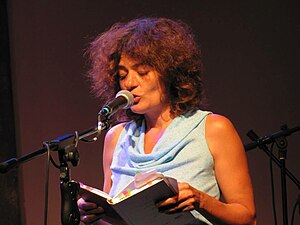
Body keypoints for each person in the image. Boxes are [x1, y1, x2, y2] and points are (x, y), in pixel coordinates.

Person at [78, 17, 256, 225]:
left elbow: (247, 218)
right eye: (122, 75)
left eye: (142, 72)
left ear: (170, 72)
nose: (130, 83)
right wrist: (95, 215)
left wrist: (201, 200)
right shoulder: (116, 138)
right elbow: (118, 217)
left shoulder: (214, 129)